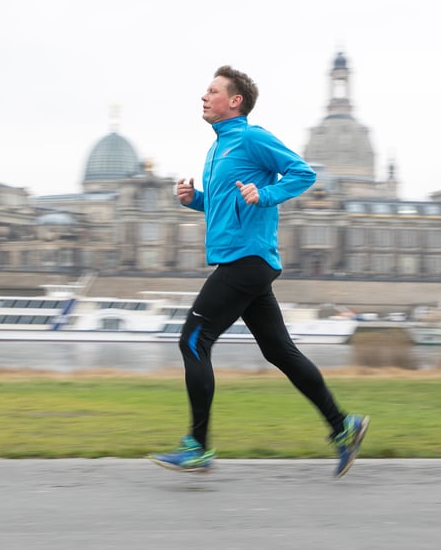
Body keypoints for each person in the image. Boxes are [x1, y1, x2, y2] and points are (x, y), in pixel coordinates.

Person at [149, 65, 369, 478]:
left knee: (193, 340)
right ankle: (344, 427)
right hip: (243, 261)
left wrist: (264, 193)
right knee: (280, 352)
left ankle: (197, 446)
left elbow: (303, 173)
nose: (204, 96)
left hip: (246, 261)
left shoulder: (251, 137)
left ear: (235, 101)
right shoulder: (217, 150)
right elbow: (225, 206)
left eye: (212, 91)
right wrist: (194, 199)